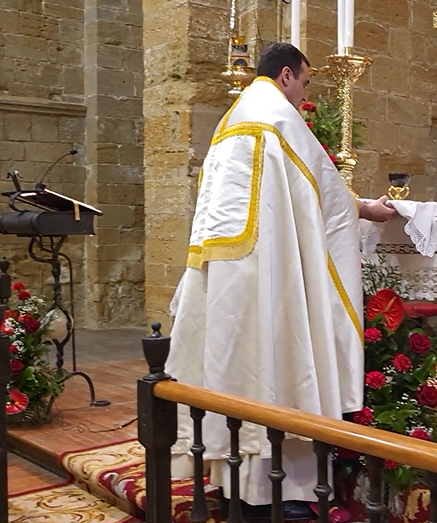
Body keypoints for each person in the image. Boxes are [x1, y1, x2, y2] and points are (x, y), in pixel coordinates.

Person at [165, 42, 397, 522]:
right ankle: (286, 490)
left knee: (235, 366)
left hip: (230, 272)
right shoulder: (278, 115)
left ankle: (233, 484)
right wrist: (369, 209)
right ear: (287, 75)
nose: (303, 96)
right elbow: (326, 191)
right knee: (280, 363)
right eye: (305, 83)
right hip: (273, 269)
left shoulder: (233, 118)